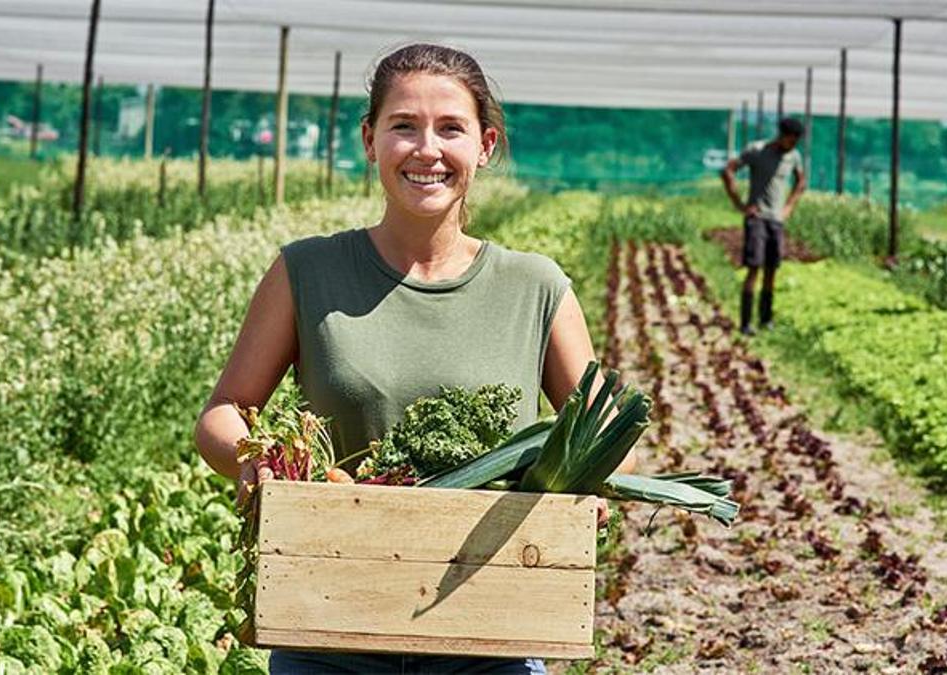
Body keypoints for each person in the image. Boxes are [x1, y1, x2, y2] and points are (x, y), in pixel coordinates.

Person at [194, 44, 630, 675]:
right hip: (327, 623)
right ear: (371, 141)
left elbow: (609, 433)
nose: (427, 149)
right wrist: (255, 458)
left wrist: (582, 482)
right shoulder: (306, 271)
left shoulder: (535, 287)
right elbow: (225, 412)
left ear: (484, 145)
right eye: (404, 126)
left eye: (450, 128)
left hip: (490, 632)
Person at [720, 117, 808, 334]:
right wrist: (740, 204)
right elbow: (728, 170)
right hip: (757, 218)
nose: (793, 144)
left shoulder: (793, 157)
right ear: (782, 135)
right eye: (791, 140)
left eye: (797, 141)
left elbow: (801, 182)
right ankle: (746, 322)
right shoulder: (757, 151)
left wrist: (788, 208)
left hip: (776, 220)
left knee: (771, 270)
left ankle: (766, 319)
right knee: (754, 268)